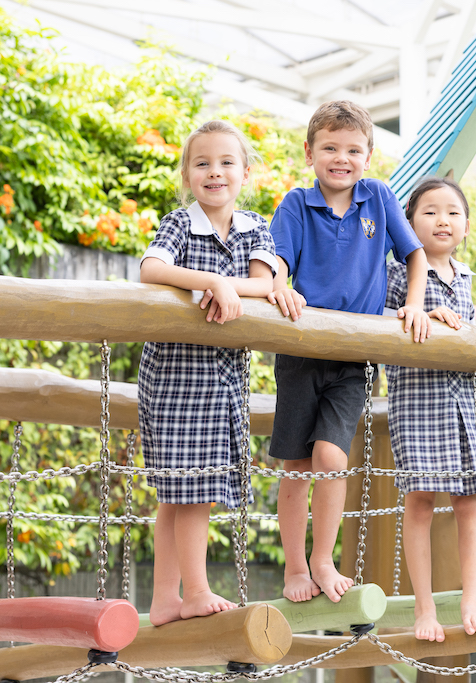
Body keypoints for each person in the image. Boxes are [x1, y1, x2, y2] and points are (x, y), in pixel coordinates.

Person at [268, 101, 432, 603]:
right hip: (300, 349)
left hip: (356, 358)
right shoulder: (296, 204)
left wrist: (414, 304)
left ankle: (324, 558)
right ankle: (296, 567)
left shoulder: (379, 198)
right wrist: (279, 283)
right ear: (310, 152)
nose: (342, 158)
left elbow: (416, 254)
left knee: (332, 455)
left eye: (354, 150)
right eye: (331, 148)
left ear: (370, 155)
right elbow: (275, 258)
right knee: (296, 465)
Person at [137, 120, 278, 626]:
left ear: (245, 172)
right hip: (175, 376)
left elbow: (266, 282)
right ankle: (192, 592)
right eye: (202, 163)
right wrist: (214, 282)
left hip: (223, 379)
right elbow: (151, 269)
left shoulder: (257, 227)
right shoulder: (179, 223)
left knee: (182, 490)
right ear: (187, 174)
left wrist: (232, 288)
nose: (214, 172)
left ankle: (163, 601)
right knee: (189, 487)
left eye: (226, 163)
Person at [385, 176, 476, 641]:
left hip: (463, 402)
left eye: (451, 212)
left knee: (471, 500)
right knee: (420, 501)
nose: (441, 220)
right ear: (409, 224)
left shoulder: (465, 277)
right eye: (429, 212)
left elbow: (473, 334)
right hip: (418, 400)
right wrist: (420, 315)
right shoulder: (398, 273)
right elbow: (375, 320)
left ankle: (471, 597)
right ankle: (424, 608)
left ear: (466, 225)